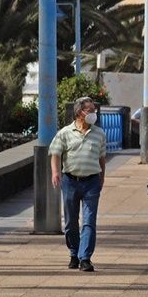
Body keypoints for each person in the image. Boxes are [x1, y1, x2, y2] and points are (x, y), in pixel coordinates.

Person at [49, 96, 107, 272]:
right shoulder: (65, 133)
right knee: (71, 223)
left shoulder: (99, 134)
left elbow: (102, 158)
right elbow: (56, 154)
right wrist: (55, 172)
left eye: (94, 111)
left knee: (89, 221)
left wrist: (102, 177)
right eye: (90, 111)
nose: (93, 114)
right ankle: (74, 253)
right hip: (70, 182)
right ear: (79, 113)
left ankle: (85, 258)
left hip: (92, 182)